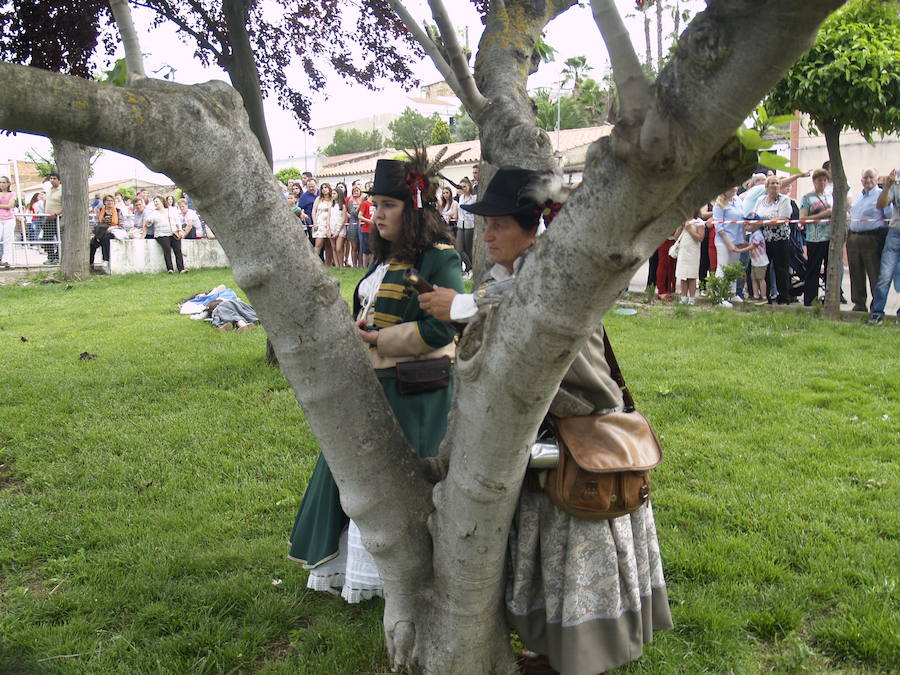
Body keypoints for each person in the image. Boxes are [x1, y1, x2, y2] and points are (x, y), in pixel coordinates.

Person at [417, 166, 672, 675]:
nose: (487, 234)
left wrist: (465, 305)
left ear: (531, 229)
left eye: (499, 225)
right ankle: (551, 654)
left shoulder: (548, 278)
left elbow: (531, 305)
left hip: (575, 441)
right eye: (484, 224)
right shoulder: (504, 277)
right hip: (538, 444)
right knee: (546, 561)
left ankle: (581, 658)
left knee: (574, 558)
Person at [288, 154, 464, 603]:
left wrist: (378, 339)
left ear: (414, 207)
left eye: (388, 204)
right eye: (375, 204)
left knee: (393, 484)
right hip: (372, 386)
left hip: (413, 390)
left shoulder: (440, 258)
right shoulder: (384, 260)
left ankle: (400, 578)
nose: (376, 213)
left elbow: (442, 329)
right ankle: (351, 569)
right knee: (353, 477)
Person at [847, 168, 890, 312]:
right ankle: (859, 303)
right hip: (854, 237)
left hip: (872, 238)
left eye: (871, 177)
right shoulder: (858, 196)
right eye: (865, 178)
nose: (868, 180)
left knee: (874, 273)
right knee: (856, 273)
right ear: (861, 180)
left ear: (877, 179)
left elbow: (888, 217)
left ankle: (876, 306)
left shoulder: (881, 195)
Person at [749, 175, 793, 304]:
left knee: (781, 268)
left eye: (777, 183)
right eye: (772, 183)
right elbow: (755, 215)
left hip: (780, 238)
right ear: (766, 187)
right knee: (765, 268)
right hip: (763, 240)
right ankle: (765, 295)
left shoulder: (784, 200)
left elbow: (783, 218)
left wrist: (762, 223)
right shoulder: (760, 200)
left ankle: (783, 296)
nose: (775, 186)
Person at [798, 168, 833, 306]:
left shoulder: (830, 196)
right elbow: (803, 219)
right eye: (820, 180)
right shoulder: (807, 198)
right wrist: (822, 214)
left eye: (825, 180)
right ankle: (810, 299)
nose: (822, 183)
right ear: (814, 181)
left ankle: (829, 298)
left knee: (830, 268)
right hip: (815, 238)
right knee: (813, 269)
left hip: (830, 237)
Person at [869, 169, 900, 324]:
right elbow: (881, 204)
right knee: (884, 276)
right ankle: (877, 313)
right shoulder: (896, 183)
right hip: (895, 234)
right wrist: (887, 186)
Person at [712, 187, 751, 305]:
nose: (735, 189)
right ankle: (719, 297)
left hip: (738, 239)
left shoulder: (737, 200)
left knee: (734, 267)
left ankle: (731, 293)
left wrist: (743, 238)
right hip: (723, 240)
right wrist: (728, 243)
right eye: (731, 187)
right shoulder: (719, 205)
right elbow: (719, 227)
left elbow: (741, 219)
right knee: (722, 267)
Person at [141, 194, 187, 273]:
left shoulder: (171, 210)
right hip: (161, 233)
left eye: (157, 201)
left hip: (173, 232)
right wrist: (149, 221)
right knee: (167, 248)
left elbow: (177, 220)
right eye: (154, 202)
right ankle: (170, 269)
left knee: (178, 249)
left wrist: (180, 230)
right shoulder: (154, 212)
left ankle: (181, 269)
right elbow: (149, 221)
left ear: (162, 201)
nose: (155, 203)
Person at [675, 215, 706, 304]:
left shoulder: (699, 222)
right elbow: (676, 237)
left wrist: (689, 229)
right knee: (683, 275)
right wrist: (681, 227)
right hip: (683, 251)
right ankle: (683, 297)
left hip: (693, 252)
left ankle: (691, 298)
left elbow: (700, 238)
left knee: (692, 276)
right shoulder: (682, 221)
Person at [90, 194, 124, 268]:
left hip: (113, 231)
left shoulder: (118, 211)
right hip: (101, 231)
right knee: (92, 243)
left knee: (105, 238)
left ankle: (106, 259)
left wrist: (112, 228)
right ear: (104, 202)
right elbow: (97, 222)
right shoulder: (100, 210)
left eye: (112, 200)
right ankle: (91, 263)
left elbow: (121, 225)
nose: (110, 202)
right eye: (108, 200)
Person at [311, 182, 340, 266]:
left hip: (330, 224)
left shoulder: (332, 199)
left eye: (326, 187)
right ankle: (315, 264)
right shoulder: (318, 199)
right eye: (322, 188)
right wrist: (315, 223)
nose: (324, 189)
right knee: (318, 244)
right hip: (320, 223)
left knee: (329, 246)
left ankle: (328, 265)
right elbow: (313, 211)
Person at [456, 177, 476, 276]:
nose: (463, 188)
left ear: (469, 186)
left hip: (470, 225)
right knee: (459, 248)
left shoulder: (474, 198)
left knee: (468, 249)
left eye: (464, 186)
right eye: (461, 187)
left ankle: (470, 271)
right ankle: (470, 268)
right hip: (460, 224)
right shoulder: (460, 198)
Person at [42, 172, 62, 265]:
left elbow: (66, 205)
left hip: (58, 218)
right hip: (48, 218)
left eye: (54, 178)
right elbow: (46, 201)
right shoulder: (48, 190)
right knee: (47, 237)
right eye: (51, 178)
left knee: (60, 238)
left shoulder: (62, 190)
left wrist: (55, 214)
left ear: (59, 180)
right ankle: (50, 257)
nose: (52, 180)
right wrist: (45, 213)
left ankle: (58, 256)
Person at [346, 184, 363, 268]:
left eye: (357, 190)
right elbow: (353, 213)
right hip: (353, 223)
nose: (356, 192)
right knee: (354, 246)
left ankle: (360, 264)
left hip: (361, 223)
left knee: (361, 246)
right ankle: (354, 265)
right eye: (354, 191)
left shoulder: (364, 200)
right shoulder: (350, 201)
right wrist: (360, 205)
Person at [0, 176, 15, 268]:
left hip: (9, 219)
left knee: (7, 240)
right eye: (0, 182)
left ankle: (6, 260)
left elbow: (10, 205)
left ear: (8, 184)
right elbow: (7, 205)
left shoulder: (12, 194)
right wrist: (4, 205)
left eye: (4, 182)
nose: (2, 184)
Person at [298, 178, 318, 245]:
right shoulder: (304, 196)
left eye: (313, 186)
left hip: (323, 221)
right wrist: (303, 214)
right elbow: (299, 209)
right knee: (314, 242)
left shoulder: (321, 193)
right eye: (309, 187)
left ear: (316, 185)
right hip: (311, 222)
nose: (311, 188)